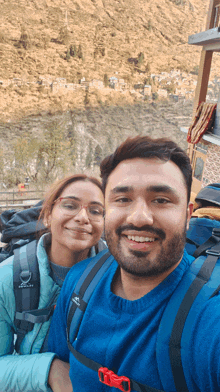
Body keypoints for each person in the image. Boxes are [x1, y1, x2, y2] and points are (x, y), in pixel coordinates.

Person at [48, 135, 220, 392]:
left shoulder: (209, 320)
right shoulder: (79, 283)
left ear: (187, 216)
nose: (140, 218)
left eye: (161, 200)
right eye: (123, 199)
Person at [0, 174, 105, 392]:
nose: (83, 217)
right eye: (70, 205)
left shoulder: (119, 277)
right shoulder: (8, 277)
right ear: (48, 215)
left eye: (95, 211)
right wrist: (50, 370)